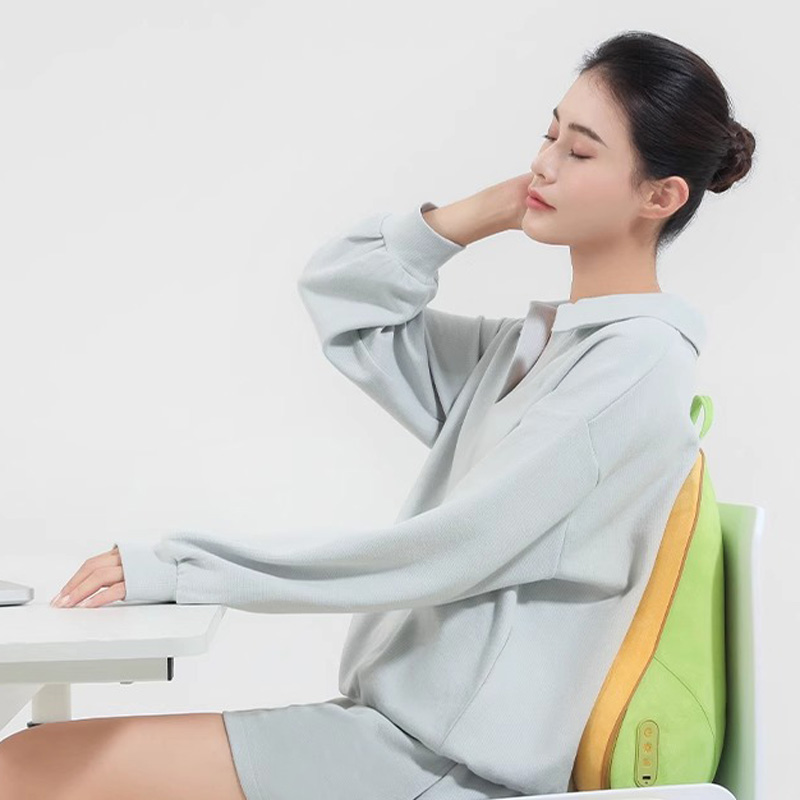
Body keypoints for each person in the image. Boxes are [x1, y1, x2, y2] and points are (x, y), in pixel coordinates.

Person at [0, 29, 755, 800]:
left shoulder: (637, 365)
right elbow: (343, 298)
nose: (544, 163)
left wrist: (184, 569)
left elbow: (444, 550)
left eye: (581, 151)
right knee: (30, 761)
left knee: (24, 770)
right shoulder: (538, 348)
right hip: (392, 734)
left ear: (660, 197)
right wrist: (482, 213)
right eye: (548, 134)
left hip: (443, 766)